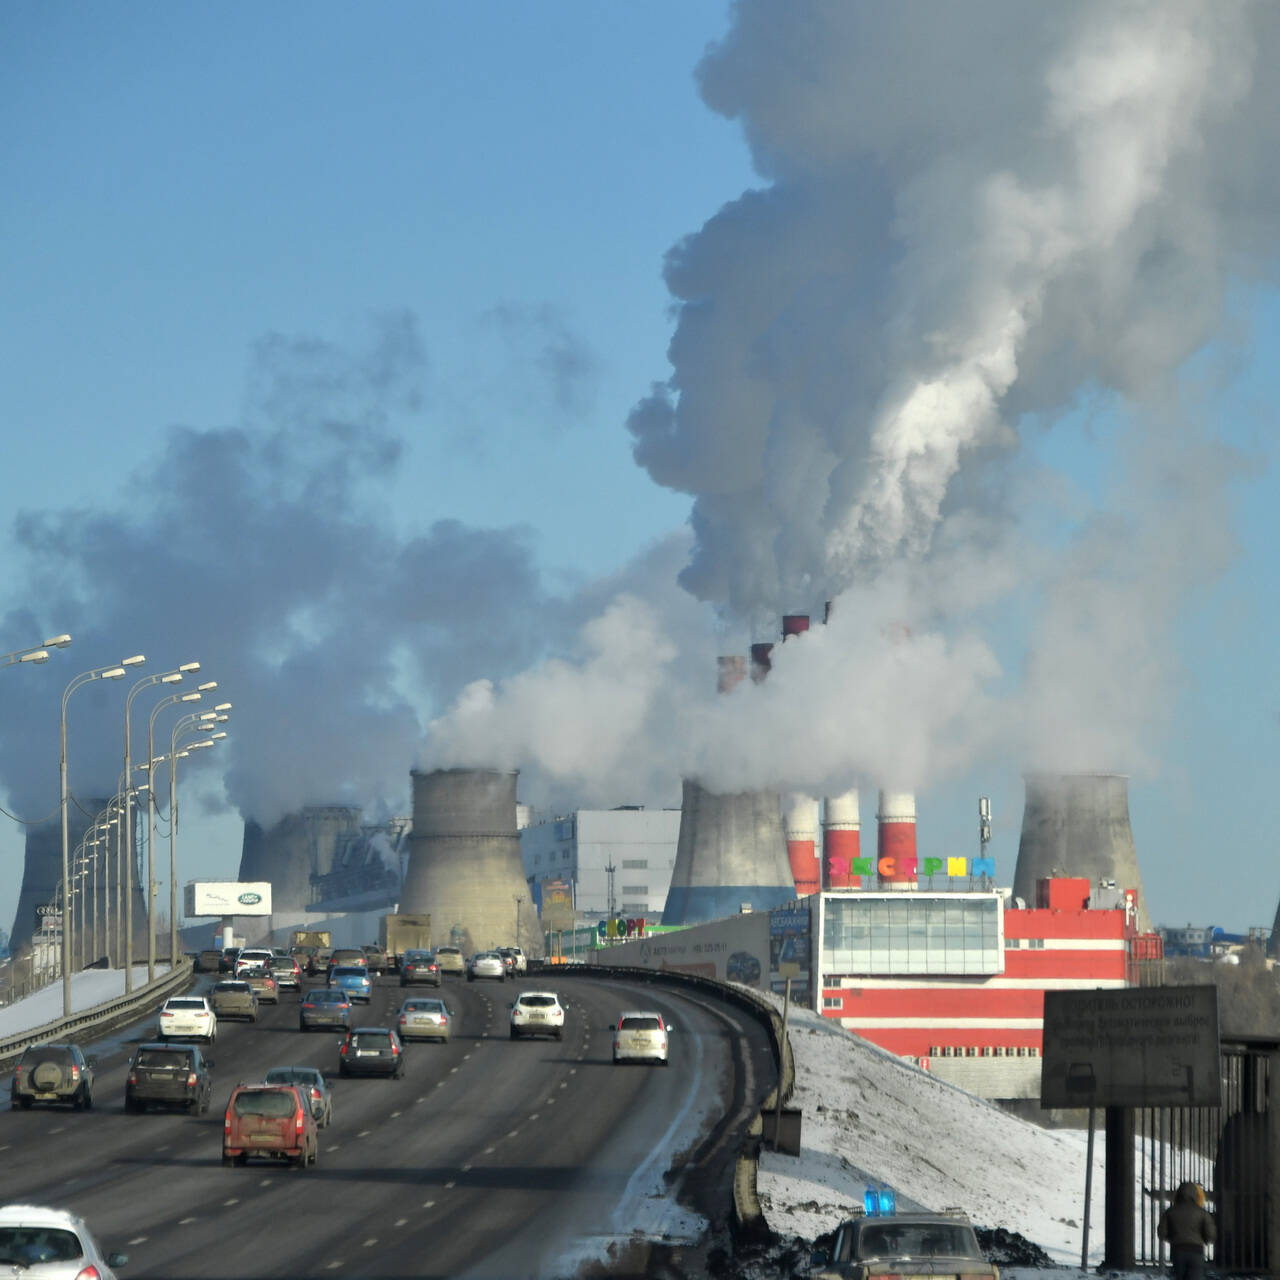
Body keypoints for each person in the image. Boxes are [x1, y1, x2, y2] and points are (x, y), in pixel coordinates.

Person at [1158, 1181, 1217, 1280]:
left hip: (1178, 1250)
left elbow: (1162, 1233)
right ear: (1195, 1195)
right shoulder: (1202, 1213)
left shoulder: (1170, 1212)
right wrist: (1205, 1240)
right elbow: (1210, 1234)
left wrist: (1173, 1239)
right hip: (1196, 1251)